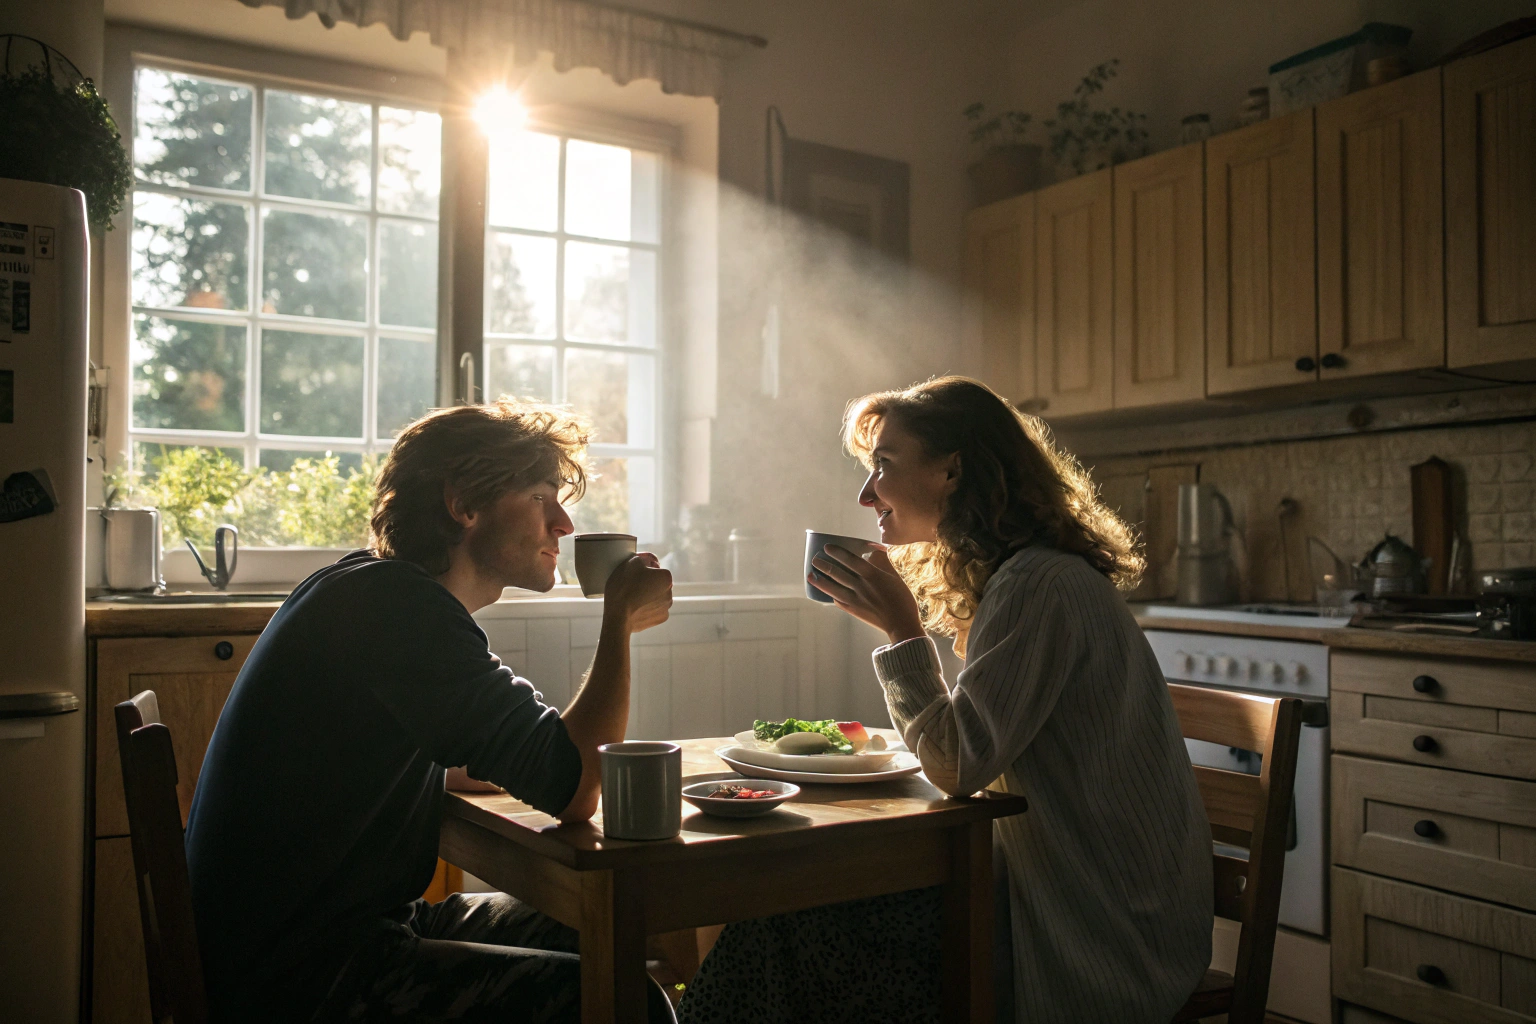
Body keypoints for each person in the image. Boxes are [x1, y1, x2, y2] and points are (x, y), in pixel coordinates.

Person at [680, 377, 1211, 1024]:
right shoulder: (1023, 577)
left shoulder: (1039, 585)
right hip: (1052, 894)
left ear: (953, 471)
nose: (866, 493)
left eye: (884, 464)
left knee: (783, 924)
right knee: (787, 912)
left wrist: (903, 631)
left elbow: (958, 764)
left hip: (1097, 933)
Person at [185, 399, 676, 1023]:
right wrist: (619, 622)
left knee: (603, 926)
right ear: (463, 504)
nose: (563, 524)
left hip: (321, 941)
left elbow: (441, 760)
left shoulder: (368, 589)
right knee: (629, 1001)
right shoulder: (400, 611)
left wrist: (524, 763)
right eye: (539, 497)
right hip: (307, 980)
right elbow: (576, 786)